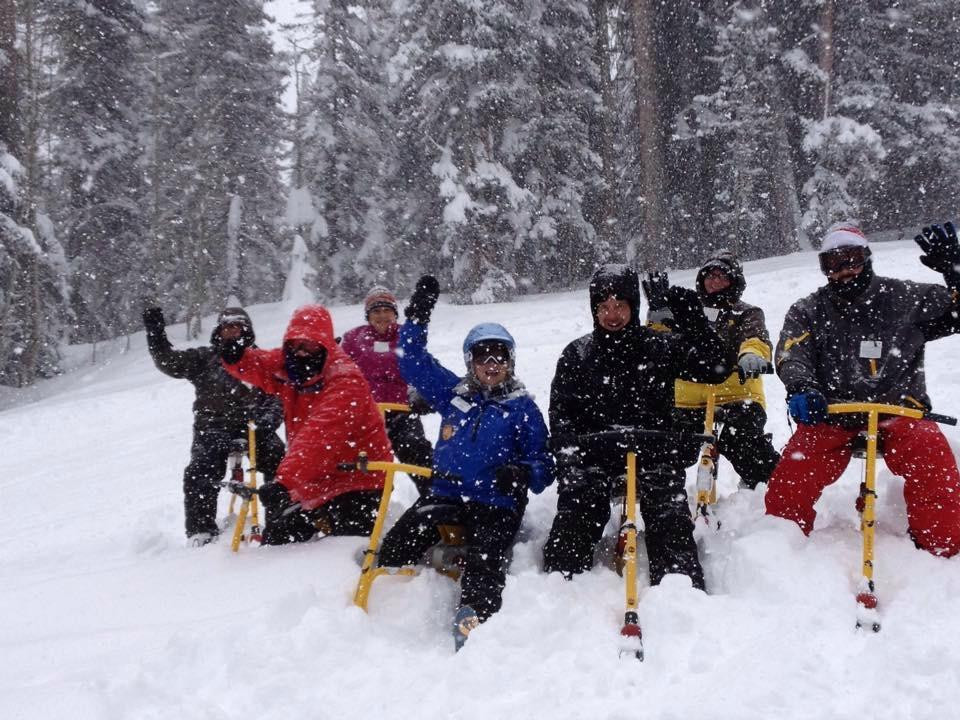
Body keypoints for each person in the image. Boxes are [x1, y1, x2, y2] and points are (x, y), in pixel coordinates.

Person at [376, 276, 554, 650]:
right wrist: (418, 317)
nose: (491, 364)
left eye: (500, 356)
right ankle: (382, 610)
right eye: (482, 356)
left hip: (495, 502)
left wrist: (522, 472)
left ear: (510, 361)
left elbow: (543, 465)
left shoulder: (522, 408)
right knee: (396, 547)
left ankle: (474, 618)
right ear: (470, 361)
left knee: (485, 558)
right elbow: (412, 361)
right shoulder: (454, 394)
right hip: (448, 493)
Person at [767, 221, 960, 557]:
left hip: (900, 410)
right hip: (834, 413)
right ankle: (780, 547)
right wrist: (802, 387)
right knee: (794, 471)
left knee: (931, 457)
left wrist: (955, 271)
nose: (845, 270)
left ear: (867, 258)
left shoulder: (904, 298)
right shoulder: (810, 310)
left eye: (853, 259)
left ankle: (941, 548)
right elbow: (790, 352)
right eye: (834, 263)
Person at [542, 264, 735, 589]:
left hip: (653, 453)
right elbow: (561, 413)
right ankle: (563, 590)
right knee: (577, 510)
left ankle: (680, 591)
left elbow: (715, 369)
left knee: (669, 518)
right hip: (596, 454)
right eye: (603, 307)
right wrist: (570, 459)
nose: (612, 315)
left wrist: (697, 325)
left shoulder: (658, 347)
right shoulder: (577, 354)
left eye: (620, 306)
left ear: (633, 306)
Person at [218, 304, 393, 545]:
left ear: (325, 344)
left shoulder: (345, 381)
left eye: (308, 345)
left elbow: (319, 439)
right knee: (277, 543)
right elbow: (263, 364)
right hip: (313, 482)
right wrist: (236, 355)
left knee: (343, 550)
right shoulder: (292, 368)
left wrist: (284, 482)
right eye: (294, 345)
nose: (300, 353)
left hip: (358, 479)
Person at [143, 306, 285, 547]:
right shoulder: (205, 359)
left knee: (282, 464)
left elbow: (277, 397)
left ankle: (282, 523)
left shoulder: (259, 359)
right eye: (227, 326)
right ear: (219, 331)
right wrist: (156, 334)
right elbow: (168, 361)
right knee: (199, 471)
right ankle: (201, 531)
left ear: (246, 330)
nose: (232, 331)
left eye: (237, 326)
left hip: (253, 427)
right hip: (212, 428)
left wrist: (266, 422)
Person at [670, 250, 780, 490]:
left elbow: (755, 338)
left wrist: (751, 355)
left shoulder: (746, 313)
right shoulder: (687, 309)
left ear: (734, 282)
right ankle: (662, 494)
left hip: (735, 394)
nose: (715, 281)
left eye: (722, 276)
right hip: (687, 398)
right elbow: (661, 339)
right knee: (669, 445)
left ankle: (766, 486)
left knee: (743, 438)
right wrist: (657, 314)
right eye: (711, 275)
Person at [340, 286, 433, 491]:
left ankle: (435, 496)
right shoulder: (354, 339)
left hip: (401, 412)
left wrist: (421, 393)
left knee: (416, 451)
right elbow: (339, 372)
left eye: (387, 310)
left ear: (395, 313)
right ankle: (367, 504)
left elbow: (422, 363)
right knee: (362, 461)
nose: (382, 316)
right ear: (368, 315)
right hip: (367, 415)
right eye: (376, 311)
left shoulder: (405, 336)